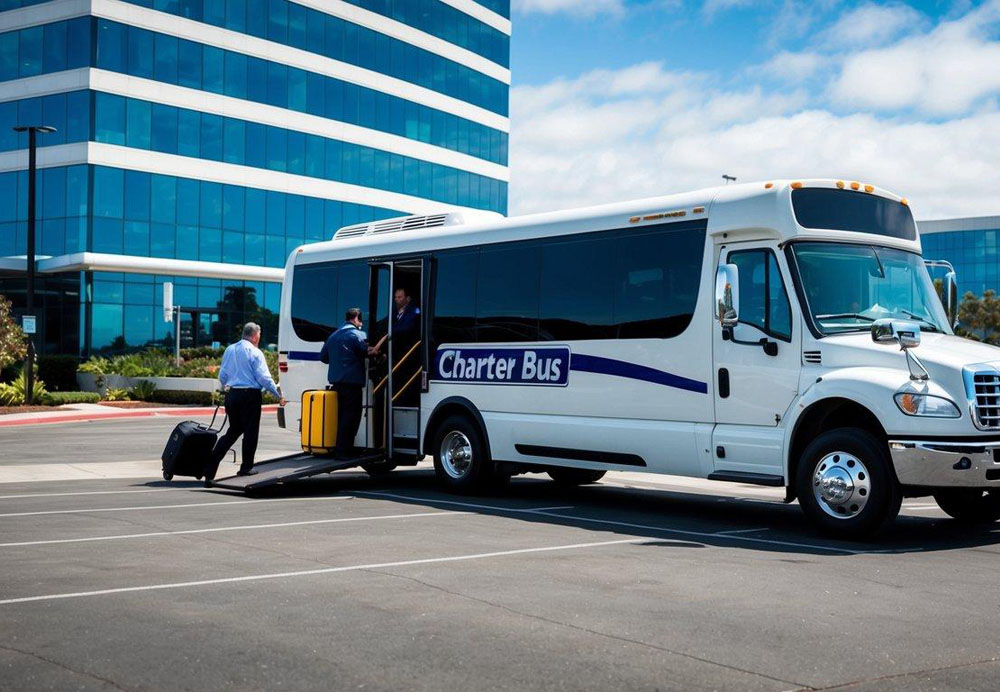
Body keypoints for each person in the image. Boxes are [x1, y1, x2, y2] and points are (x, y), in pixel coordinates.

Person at [206, 322, 285, 483]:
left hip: (233, 394)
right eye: (259, 336)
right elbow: (263, 378)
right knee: (250, 432)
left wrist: (229, 388)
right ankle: (246, 467)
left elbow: (222, 376)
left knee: (233, 431)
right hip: (250, 396)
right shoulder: (255, 352)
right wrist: (278, 394)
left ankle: (210, 468)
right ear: (255, 336)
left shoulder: (230, 349)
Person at [320, 308, 376, 459]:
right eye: (360, 320)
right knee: (351, 418)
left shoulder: (333, 336)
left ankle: (340, 449)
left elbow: (323, 357)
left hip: (337, 384)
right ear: (356, 319)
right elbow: (367, 352)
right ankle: (344, 452)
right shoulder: (357, 335)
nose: (361, 323)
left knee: (341, 417)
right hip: (352, 384)